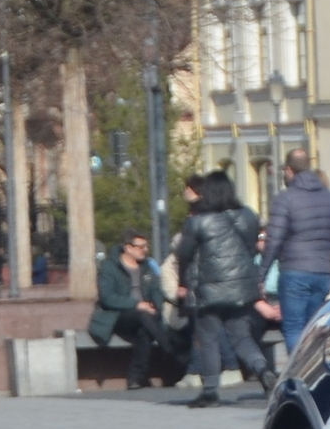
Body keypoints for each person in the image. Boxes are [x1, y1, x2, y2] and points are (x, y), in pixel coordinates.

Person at [171, 173, 269, 403]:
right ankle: (264, 371)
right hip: (242, 287)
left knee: (208, 337)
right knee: (241, 337)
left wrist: (183, 284)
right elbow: (252, 246)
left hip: (209, 288)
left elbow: (184, 254)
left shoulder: (198, 221)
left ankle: (210, 390)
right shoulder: (248, 216)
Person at [259, 148, 330, 356]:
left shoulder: (285, 199)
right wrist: (324, 246)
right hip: (322, 270)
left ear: (288, 170)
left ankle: (297, 374)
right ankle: (314, 372)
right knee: (314, 326)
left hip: (294, 270)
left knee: (293, 326)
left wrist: (261, 274)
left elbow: (273, 240)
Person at [88, 228, 170, 386]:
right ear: (128, 248)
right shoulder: (109, 267)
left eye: (146, 246)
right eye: (141, 247)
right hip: (118, 316)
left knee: (144, 331)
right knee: (142, 316)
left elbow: (156, 290)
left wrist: (156, 307)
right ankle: (170, 349)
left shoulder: (147, 266)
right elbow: (107, 298)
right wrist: (137, 304)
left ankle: (135, 378)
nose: (145, 250)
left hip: (146, 317)